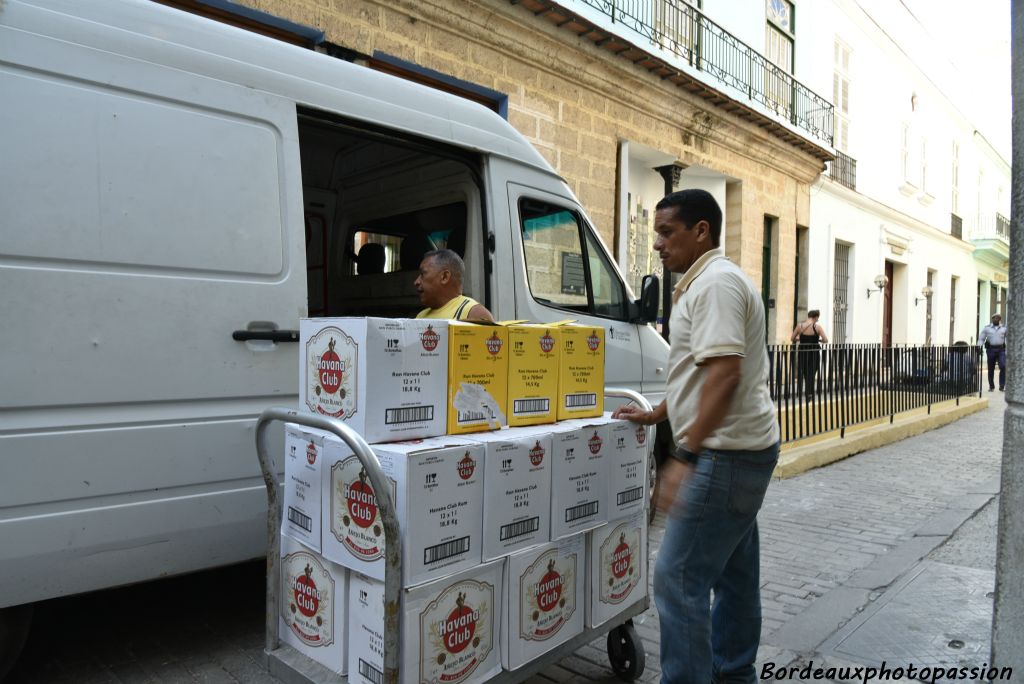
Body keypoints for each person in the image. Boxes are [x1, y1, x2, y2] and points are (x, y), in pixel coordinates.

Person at [612, 189, 779, 684]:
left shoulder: (716, 286)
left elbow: (725, 376)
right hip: (739, 454)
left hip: (723, 457)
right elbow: (700, 373)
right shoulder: (705, 283)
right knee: (734, 575)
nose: (658, 244)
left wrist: (683, 456)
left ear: (700, 231)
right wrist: (661, 412)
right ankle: (734, 674)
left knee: (677, 579)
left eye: (666, 232)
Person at [414, 248, 495, 322]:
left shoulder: (474, 314)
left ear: (445, 277)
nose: (416, 282)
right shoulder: (421, 316)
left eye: (423, 274)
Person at [791, 310, 829, 398]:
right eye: (817, 318)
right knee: (812, 371)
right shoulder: (817, 327)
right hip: (813, 352)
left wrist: (802, 339)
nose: (817, 320)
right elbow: (825, 340)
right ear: (815, 317)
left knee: (805, 371)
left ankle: (808, 392)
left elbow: (792, 338)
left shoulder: (800, 326)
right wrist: (818, 340)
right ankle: (809, 392)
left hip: (803, 351)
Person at [978, 313, 1007, 392]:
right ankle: (991, 386)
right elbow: (981, 338)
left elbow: (1008, 338)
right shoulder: (987, 328)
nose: (996, 319)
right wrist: (979, 347)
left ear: (1000, 319)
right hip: (991, 349)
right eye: (994, 318)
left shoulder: (1004, 328)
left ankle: (1002, 386)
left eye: (997, 318)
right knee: (991, 368)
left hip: (1001, 350)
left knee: (1003, 366)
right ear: (992, 319)